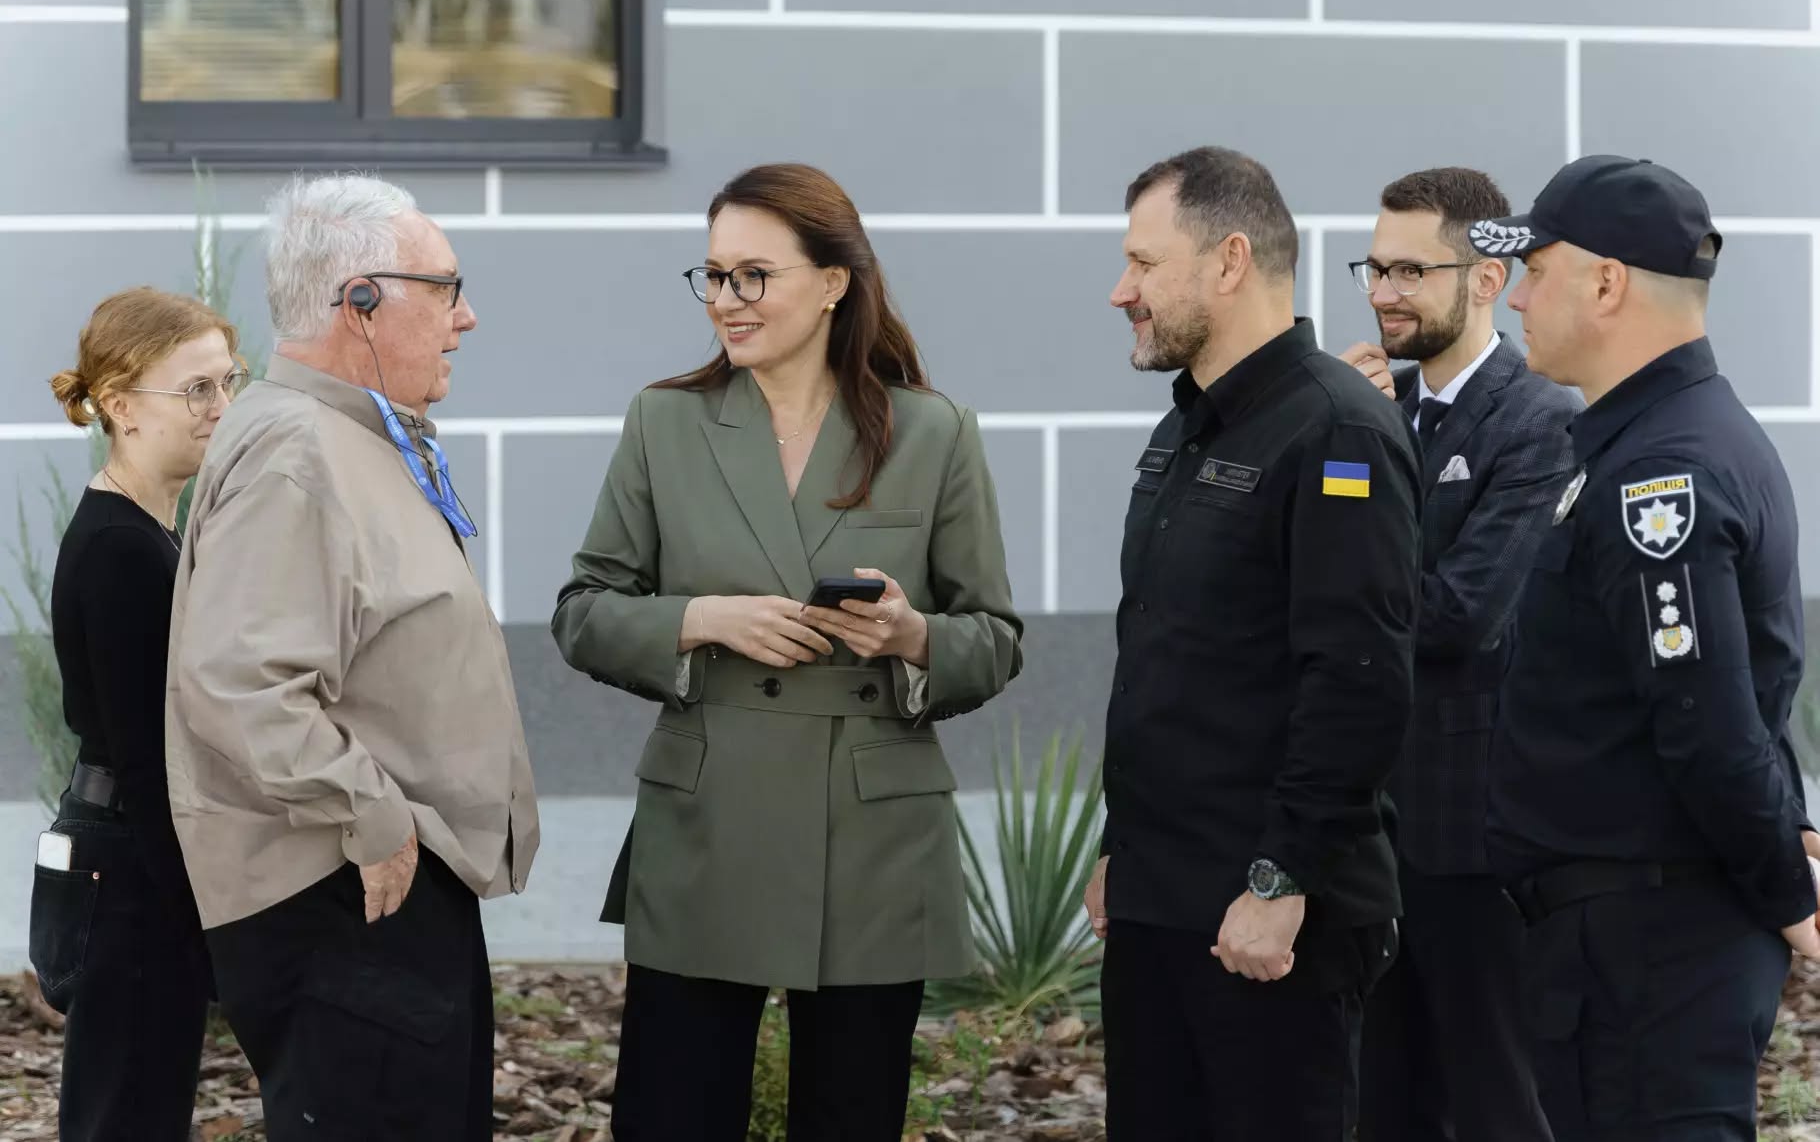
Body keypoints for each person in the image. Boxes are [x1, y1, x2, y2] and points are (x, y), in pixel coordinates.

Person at [552, 162, 1022, 1142]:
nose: (726, 299)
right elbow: (584, 612)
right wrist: (701, 618)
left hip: (872, 834)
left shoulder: (932, 432)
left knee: (851, 1115)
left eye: (753, 275)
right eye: (714, 275)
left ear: (833, 282)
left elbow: (994, 639)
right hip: (706, 822)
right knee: (672, 1116)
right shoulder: (665, 422)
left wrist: (911, 635)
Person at [165, 174, 540, 1142]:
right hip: (347, 890)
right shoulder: (299, 452)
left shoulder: (342, 435)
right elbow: (238, 679)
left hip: (380, 886)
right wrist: (374, 818)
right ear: (360, 301)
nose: (466, 317)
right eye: (445, 288)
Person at [1474, 155, 1820, 1142]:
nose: (1516, 298)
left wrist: (1783, 886)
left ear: (1606, 284)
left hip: (1647, 952)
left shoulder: (1659, 471)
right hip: (1634, 940)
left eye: (1536, 271)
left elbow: (1705, 717)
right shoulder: (1661, 438)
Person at [1085, 146, 1418, 1141]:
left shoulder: (1335, 429)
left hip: (1270, 917)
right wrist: (1120, 851)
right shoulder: (1187, 428)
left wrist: (1282, 879)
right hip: (1161, 900)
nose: (1121, 291)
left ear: (1229, 261)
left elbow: (1356, 679)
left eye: (1144, 263)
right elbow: (1173, 661)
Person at [1335, 167, 1573, 1142]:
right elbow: (1313, 575)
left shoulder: (1539, 419)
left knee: (1492, 1099)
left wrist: (1372, 442)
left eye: (1410, 270)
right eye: (1374, 268)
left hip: (1473, 835)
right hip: (1363, 828)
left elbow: (1458, 616)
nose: (1383, 292)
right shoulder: (1366, 409)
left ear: (1484, 280)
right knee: (1377, 1101)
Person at [27, 287, 242, 1141]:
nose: (220, 406)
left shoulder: (147, 529)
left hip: (130, 867)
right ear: (120, 405)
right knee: (126, 1114)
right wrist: (205, 918)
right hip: (131, 878)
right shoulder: (121, 546)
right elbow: (150, 760)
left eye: (228, 382)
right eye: (196, 388)